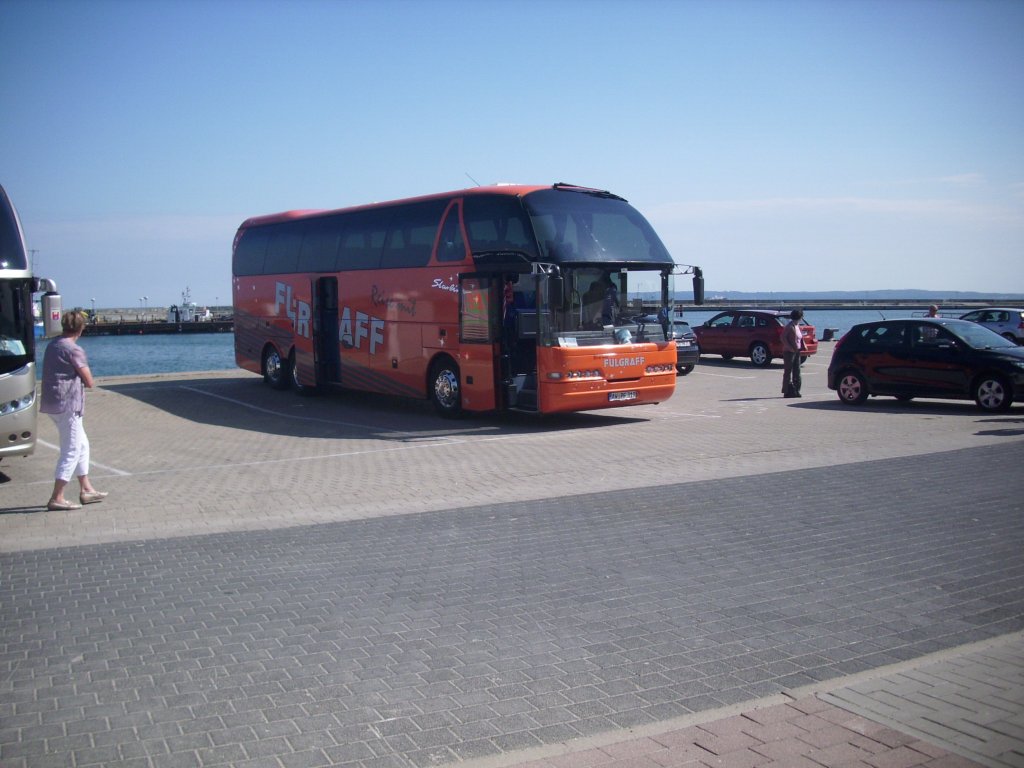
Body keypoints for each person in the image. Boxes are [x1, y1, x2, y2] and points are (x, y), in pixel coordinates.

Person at [39, 310, 108, 511]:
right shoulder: (73, 349)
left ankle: (86, 489)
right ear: (81, 328)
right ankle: (57, 497)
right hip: (68, 404)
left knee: (82, 445)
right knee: (71, 450)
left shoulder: (53, 345)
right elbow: (89, 381)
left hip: (53, 403)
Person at [781, 309, 805, 398]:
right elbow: (783, 337)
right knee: (788, 371)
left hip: (797, 351)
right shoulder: (789, 326)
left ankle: (796, 390)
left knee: (797, 371)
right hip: (789, 352)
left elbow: (800, 337)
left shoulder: (797, 326)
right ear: (799, 317)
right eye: (801, 316)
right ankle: (787, 391)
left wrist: (802, 345)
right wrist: (789, 347)